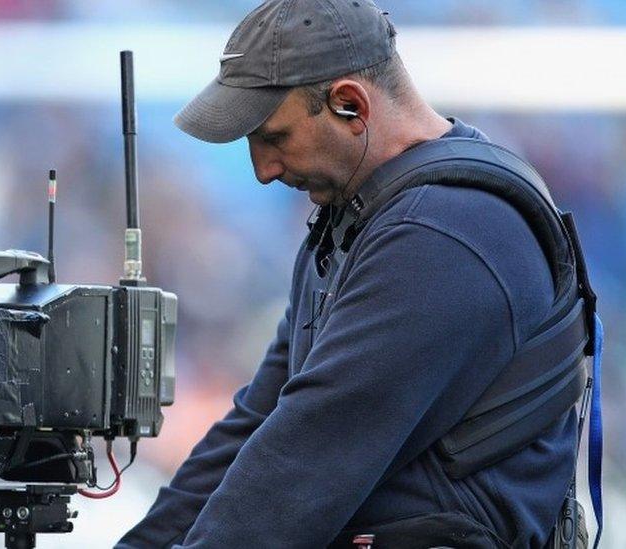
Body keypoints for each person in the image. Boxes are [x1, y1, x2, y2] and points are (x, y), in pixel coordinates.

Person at [118, 1, 587, 547]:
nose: (263, 170)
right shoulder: (357, 221)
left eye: (273, 137)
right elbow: (254, 431)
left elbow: (299, 470)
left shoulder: (443, 234)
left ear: (350, 104)